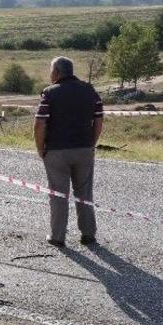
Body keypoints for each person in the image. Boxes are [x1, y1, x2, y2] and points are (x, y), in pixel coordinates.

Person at [34, 56, 104, 247]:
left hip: (57, 151)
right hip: (84, 149)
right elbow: (99, 119)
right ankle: (88, 235)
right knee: (85, 193)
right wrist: (91, 143)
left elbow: (40, 124)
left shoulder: (49, 93)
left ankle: (57, 237)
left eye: (51, 71)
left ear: (56, 72)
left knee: (58, 195)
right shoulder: (89, 90)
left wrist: (41, 149)